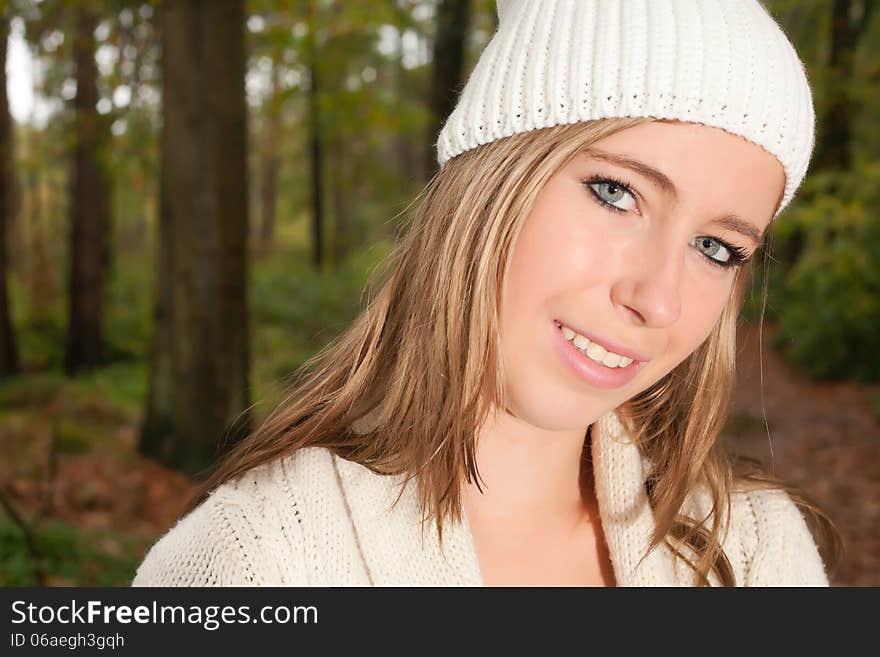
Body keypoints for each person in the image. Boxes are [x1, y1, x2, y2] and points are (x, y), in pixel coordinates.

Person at [133, 0, 839, 587]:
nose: (658, 299)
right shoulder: (253, 560)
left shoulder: (752, 552)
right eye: (615, 193)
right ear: (491, 181)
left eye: (717, 248)